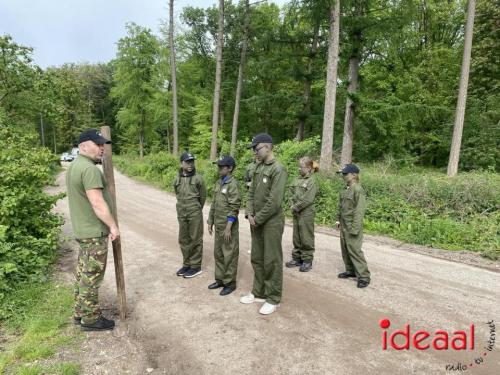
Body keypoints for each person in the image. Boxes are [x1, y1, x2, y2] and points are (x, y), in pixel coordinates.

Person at [66, 129, 119, 331]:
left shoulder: (75, 166)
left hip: (83, 231)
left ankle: (80, 313)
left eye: (103, 144)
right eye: (98, 144)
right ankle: (90, 319)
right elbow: (97, 203)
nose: (102, 148)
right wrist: (112, 226)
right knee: (92, 276)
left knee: (82, 273)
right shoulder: (89, 169)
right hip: (94, 233)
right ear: (83, 146)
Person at [240, 133, 288, 315]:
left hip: (271, 222)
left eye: (256, 148)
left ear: (267, 147)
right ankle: (258, 292)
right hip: (256, 221)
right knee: (257, 257)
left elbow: (274, 201)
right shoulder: (258, 167)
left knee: (272, 260)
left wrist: (257, 218)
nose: (254, 152)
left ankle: (273, 298)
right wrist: (249, 213)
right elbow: (250, 192)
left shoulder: (278, 169)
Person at [207, 156, 241, 296]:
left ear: (230, 168)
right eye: (218, 166)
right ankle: (220, 279)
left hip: (228, 227)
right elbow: (214, 204)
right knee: (219, 254)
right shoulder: (218, 183)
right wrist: (210, 221)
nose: (219, 169)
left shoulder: (233, 184)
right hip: (219, 225)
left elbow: (234, 207)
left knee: (229, 255)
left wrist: (228, 227)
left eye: (222, 167)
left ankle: (229, 283)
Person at [335, 164, 371, 288]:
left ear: (354, 175)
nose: (343, 176)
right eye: (343, 174)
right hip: (344, 224)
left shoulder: (358, 190)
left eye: (346, 174)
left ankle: (364, 276)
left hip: (352, 225)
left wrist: (355, 228)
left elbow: (359, 211)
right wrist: (338, 220)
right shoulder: (346, 189)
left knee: (355, 250)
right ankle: (351, 271)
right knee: (345, 249)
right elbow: (341, 207)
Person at [174, 152, 207, 278]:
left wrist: (196, 208)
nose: (190, 164)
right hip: (181, 211)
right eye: (187, 162)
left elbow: (203, 196)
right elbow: (177, 194)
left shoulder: (198, 178)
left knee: (195, 238)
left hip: (194, 211)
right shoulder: (177, 178)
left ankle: (195, 266)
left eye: (192, 162)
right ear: (181, 163)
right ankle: (187, 263)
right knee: (183, 238)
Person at [285, 156, 319, 272]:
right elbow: (290, 193)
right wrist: (291, 205)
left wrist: (296, 206)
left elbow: (308, 199)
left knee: (306, 237)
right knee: (297, 236)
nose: (299, 169)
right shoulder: (296, 179)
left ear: (309, 168)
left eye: (302, 167)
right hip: (296, 212)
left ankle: (307, 260)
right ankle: (297, 258)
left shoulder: (312, 181)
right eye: (299, 167)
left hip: (306, 213)